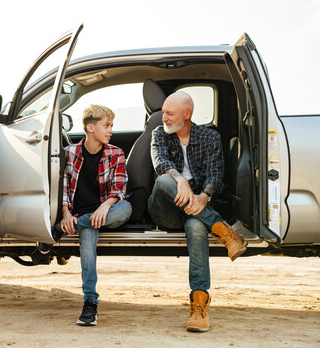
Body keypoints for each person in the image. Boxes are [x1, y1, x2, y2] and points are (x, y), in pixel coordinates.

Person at [148, 91, 247, 332]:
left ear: (187, 114)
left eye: (169, 113)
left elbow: (216, 175)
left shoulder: (209, 137)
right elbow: (160, 162)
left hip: (198, 207)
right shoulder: (159, 134)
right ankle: (223, 230)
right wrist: (180, 179)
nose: (164, 118)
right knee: (164, 181)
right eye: (163, 112)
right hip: (166, 210)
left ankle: (199, 304)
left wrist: (204, 196)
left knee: (195, 226)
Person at [60, 104, 132, 326]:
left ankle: (67, 229)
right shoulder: (70, 153)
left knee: (126, 208)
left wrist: (104, 206)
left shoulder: (115, 152)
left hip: (107, 212)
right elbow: (63, 188)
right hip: (85, 216)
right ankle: (90, 303)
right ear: (90, 128)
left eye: (111, 126)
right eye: (106, 126)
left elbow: (120, 189)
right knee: (87, 249)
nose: (110, 130)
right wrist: (65, 214)